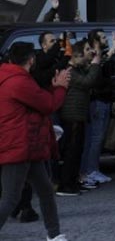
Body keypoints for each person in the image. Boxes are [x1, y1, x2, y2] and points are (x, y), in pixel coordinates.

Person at [0, 42, 71, 241]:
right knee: (10, 198)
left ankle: (54, 235)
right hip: (19, 145)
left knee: (46, 191)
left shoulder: (11, 77)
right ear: (31, 60)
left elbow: (37, 99)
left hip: (26, 145)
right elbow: (48, 104)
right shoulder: (19, 81)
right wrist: (61, 88)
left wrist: (54, 87)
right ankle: (54, 234)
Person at [57, 40, 102, 196]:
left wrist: (99, 57)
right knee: (71, 150)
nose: (90, 52)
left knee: (78, 150)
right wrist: (96, 64)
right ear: (77, 55)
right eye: (87, 49)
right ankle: (65, 185)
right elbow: (87, 82)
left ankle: (73, 181)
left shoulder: (80, 69)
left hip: (79, 114)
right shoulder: (70, 71)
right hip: (71, 115)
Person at [79, 29, 115, 187]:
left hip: (104, 98)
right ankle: (89, 170)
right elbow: (95, 70)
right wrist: (113, 50)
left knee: (98, 137)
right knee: (94, 138)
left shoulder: (101, 54)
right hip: (96, 100)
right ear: (95, 40)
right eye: (103, 37)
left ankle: (93, 168)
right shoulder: (93, 55)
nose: (106, 39)